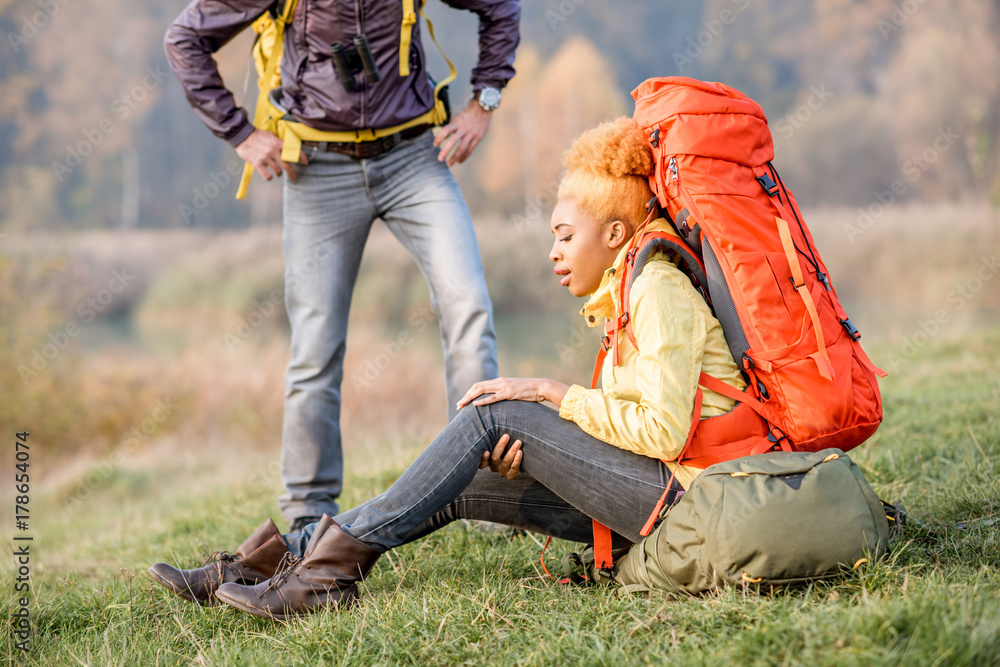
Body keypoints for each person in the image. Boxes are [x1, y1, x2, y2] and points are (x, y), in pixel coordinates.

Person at [148, 117, 748, 619]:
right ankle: (290, 560)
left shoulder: (658, 290)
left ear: (615, 233)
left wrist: (549, 392)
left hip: (687, 504)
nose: (553, 252)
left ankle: (322, 578)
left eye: (565, 236)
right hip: (649, 494)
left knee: (496, 412)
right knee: (455, 481)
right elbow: (639, 425)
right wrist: (545, 455)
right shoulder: (629, 290)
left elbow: (665, 433)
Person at [164, 0, 521, 531]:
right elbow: (184, 40)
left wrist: (483, 104)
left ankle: (482, 496)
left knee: (468, 308)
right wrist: (241, 133)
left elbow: (500, 7)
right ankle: (309, 514)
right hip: (318, 172)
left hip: (414, 160)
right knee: (315, 346)